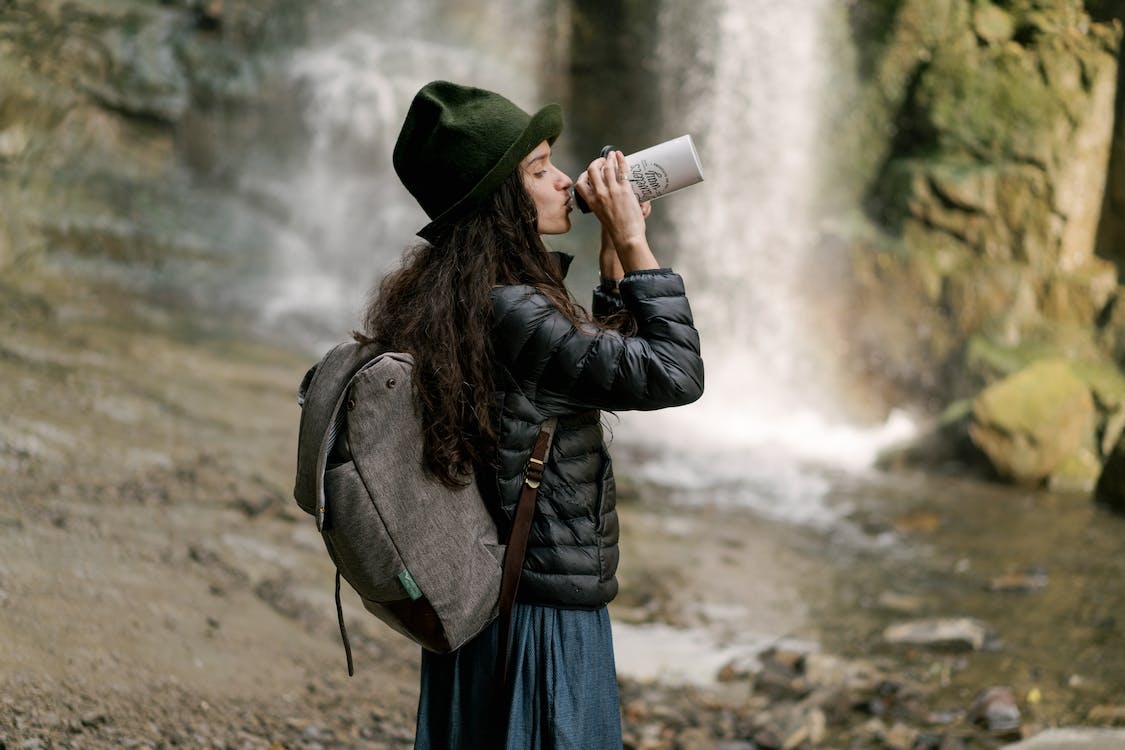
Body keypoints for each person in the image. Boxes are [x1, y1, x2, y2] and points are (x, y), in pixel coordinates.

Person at [356, 80, 704, 749]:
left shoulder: (459, 295)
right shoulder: (514, 309)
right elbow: (674, 374)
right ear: (498, 200)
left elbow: (580, 378)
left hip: (498, 602)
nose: (563, 182)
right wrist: (633, 242)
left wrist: (611, 275)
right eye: (539, 169)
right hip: (538, 614)